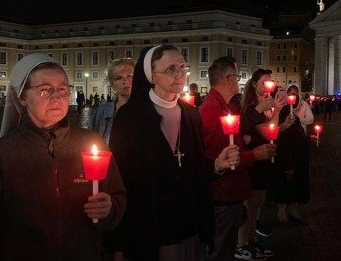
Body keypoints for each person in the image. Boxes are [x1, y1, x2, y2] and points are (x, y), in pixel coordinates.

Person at [0, 53, 126, 261]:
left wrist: (110, 207)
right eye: (45, 90)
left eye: (62, 89)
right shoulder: (0, 156)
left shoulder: (92, 143)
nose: (56, 97)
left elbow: (117, 195)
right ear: (22, 97)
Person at [109, 45, 239, 261]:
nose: (180, 74)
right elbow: (120, 178)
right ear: (151, 76)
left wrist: (216, 165)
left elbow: (194, 169)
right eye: (171, 69)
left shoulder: (191, 114)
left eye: (182, 67)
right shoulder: (130, 117)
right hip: (151, 226)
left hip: (188, 224)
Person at [199, 56, 275, 261]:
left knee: (226, 245)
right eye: (238, 75)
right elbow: (222, 157)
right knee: (222, 249)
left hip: (231, 189)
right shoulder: (213, 110)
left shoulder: (225, 106)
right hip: (224, 191)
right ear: (230, 78)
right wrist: (255, 154)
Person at [238, 69, 279, 260]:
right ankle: (241, 243)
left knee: (257, 205)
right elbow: (269, 132)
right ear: (254, 84)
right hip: (254, 158)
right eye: (264, 82)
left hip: (264, 158)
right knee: (250, 204)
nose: (268, 85)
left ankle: (252, 238)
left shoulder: (263, 106)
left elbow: (274, 129)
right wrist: (277, 110)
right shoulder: (253, 106)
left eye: (270, 82)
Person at [273, 88, 310, 225]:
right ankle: (282, 214)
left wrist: (309, 139)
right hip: (289, 159)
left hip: (298, 159)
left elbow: (298, 135)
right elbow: (285, 140)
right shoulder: (285, 114)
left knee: (296, 188)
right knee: (286, 187)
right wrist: (288, 165)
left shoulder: (294, 115)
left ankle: (294, 212)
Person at [89, 58, 135, 144]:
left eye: (130, 76)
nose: (125, 81)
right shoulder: (101, 112)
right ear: (112, 85)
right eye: (119, 78)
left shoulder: (150, 111)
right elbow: (91, 141)